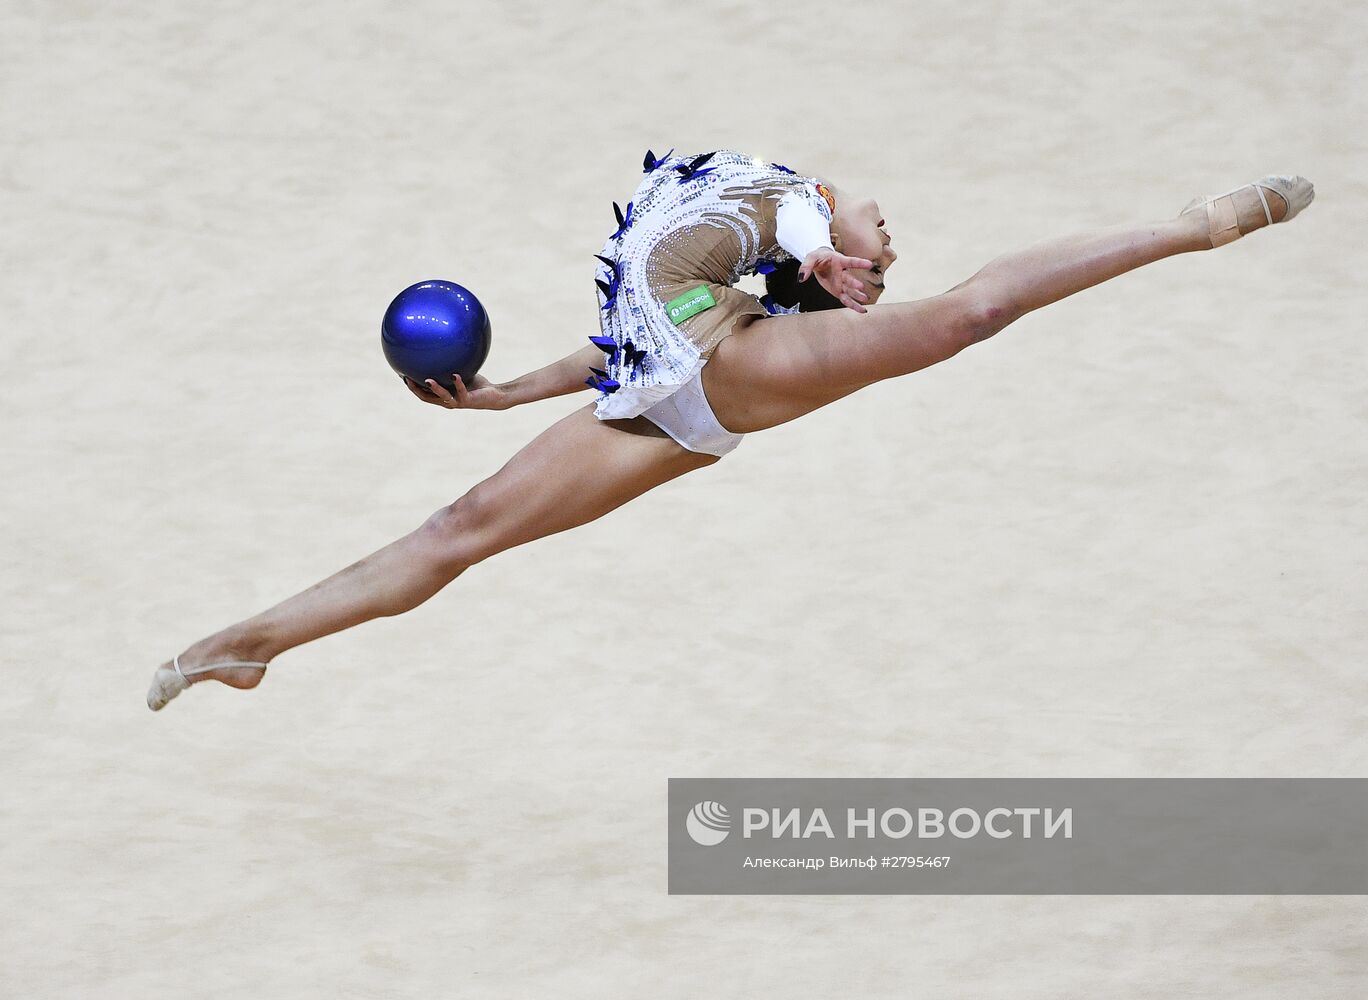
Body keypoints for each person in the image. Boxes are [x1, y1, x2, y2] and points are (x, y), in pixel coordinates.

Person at [146, 150, 1314, 710]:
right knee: (454, 531)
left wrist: (821, 267)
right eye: (881, 219)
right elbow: (637, 340)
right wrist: (507, 395)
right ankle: (248, 641)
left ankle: (1190, 227)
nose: (885, 230)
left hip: (737, 378)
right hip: (653, 407)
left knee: (968, 314)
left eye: (879, 234)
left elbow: (787, 256)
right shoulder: (769, 207)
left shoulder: (774, 264)